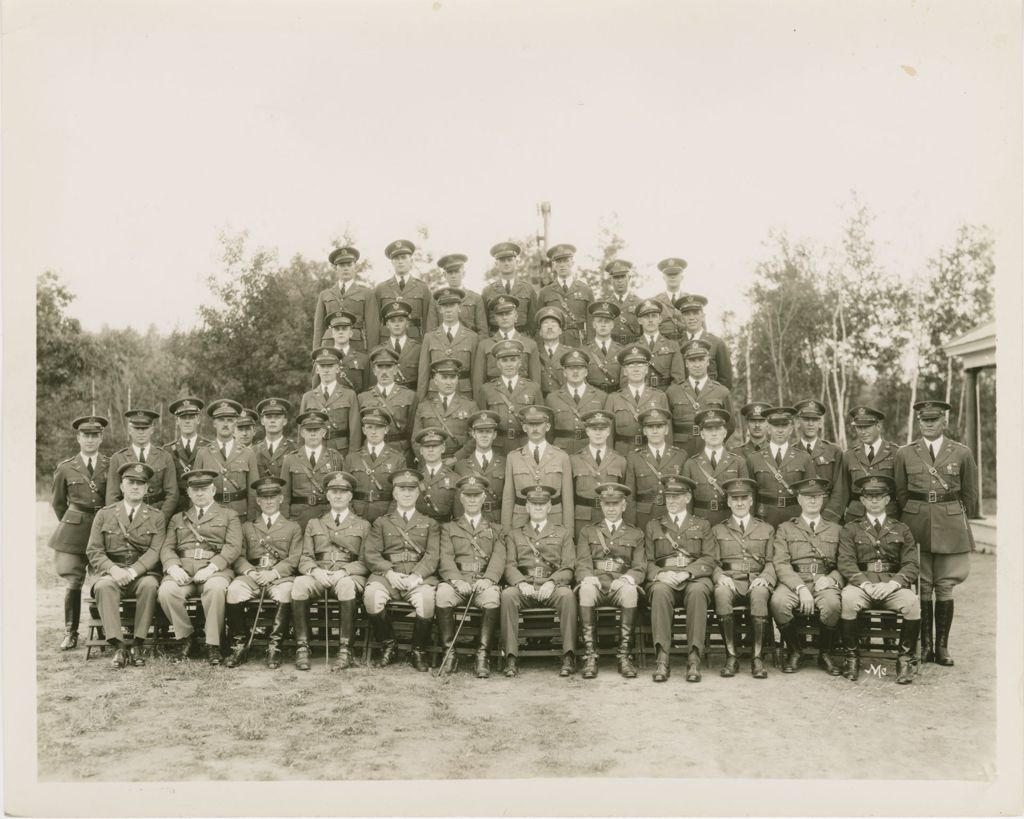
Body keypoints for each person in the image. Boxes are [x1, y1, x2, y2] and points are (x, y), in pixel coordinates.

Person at [894, 399, 977, 667]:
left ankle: (942, 647)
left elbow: (969, 493)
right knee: (922, 584)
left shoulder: (961, 452)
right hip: (916, 522)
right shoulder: (905, 453)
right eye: (924, 420)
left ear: (945, 422)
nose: (928, 424)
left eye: (934, 419)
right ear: (918, 422)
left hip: (950, 522)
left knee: (945, 585)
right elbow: (900, 492)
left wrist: (954, 515)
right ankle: (925, 646)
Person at [838, 475, 921, 684]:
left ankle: (904, 661)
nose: (874, 501)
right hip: (862, 585)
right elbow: (846, 562)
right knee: (848, 599)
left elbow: (911, 564)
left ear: (887, 499)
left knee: (912, 602)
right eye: (869, 497)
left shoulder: (902, 529)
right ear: (862, 501)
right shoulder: (851, 528)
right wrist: (865, 584)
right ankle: (851, 659)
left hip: (891, 585)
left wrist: (893, 584)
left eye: (879, 496)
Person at [157, 469, 243, 665]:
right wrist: (173, 568)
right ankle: (187, 638)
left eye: (204, 489)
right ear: (188, 493)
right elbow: (167, 548)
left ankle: (213, 644)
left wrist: (212, 567)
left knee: (216, 589)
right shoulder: (178, 518)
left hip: (214, 569)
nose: (200, 494)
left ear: (213, 490)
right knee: (167, 591)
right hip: (184, 569)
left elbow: (233, 546)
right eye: (195, 490)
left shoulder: (229, 515)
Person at [86, 461, 166, 667]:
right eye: (130, 482)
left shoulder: (157, 517)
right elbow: (94, 550)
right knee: (103, 587)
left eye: (141, 483)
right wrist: (113, 570)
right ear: (121, 486)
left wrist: (133, 571)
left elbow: (156, 550)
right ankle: (119, 647)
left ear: (147, 488)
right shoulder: (104, 514)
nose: (135, 487)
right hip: (111, 572)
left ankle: (138, 643)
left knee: (150, 586)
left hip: (141, 574)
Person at [361, 468, 441, 671]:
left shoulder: (430, 523)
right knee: (371, 596)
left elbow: (432, 555)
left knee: (426, 600)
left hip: (417, 577)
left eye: (411, 489)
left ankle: (417, 650)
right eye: (402, 489)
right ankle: (389, 646)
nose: (407, 493)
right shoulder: (382, 522)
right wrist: (389, 572)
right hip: (389, 577)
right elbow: (371, 554)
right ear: (395, 493)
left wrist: (416, 576)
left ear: (418, 493)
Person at [292, 470, 370, 671]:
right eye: (333, 491)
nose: (337, 495)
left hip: (347, 575)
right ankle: (302, 647)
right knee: (299, 584)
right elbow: (305, 558)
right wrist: (316, 572)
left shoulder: (362, 525)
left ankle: (345, 649)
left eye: (343, 492)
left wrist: (343, 571)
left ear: (350, 496)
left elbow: (366, 561)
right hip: (320, 573)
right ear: (326, 495)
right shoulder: (314, 523)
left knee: (345, 586)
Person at [223, 476, 303, 669]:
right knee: (233, 590)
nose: (268, 501)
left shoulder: (293, 527)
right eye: (263, 497)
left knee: (286, 592)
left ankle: (274, 647)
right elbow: (238, 556)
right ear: (257, 501)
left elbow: (294, 558)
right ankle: (240, 645)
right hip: (253, 575)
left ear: (281, 499)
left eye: (273, 496)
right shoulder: (247, 526)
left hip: (279, 577)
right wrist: (250, 571)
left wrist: (274, 573)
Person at [500, 485, 578, 678]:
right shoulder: (515, 533)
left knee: (567, 596)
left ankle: (568, 655)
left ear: (549, 507)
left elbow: (568, 566)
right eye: (533, 504)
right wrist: (520, 583)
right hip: (525, 586)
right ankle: (511, 656)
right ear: (526, 507)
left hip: (552, 587)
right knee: (508, 595)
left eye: (542, 504)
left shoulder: (563, 533)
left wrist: (552, 582)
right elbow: (509, 566)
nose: (537, 508)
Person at [645, 475, 717, 683]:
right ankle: (662, 659)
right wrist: (660, 574)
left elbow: (710, 558)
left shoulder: (702, 524)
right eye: (668, 496)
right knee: (658, 591)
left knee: (697, 592)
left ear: (687, 498)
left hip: (694, 577)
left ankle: (694, 658)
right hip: (665, 578)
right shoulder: (654, 526)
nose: (671, 501)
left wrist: (688, 572)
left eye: (677, 496)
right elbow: (646, 561)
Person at [770, 477, 844, 675]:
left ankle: (825, 653)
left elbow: (844, 563)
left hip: (823, 580)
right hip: (794, 580)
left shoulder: (837, 529)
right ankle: (796, 651)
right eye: (807, 497)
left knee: (832, 604)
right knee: (778, 602)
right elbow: (781, 563)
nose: (813, 501)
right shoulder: (785, 528)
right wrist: (800, 588)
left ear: (823, 500)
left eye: (817, 497)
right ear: (799, 500)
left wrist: (831, 579)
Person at [436, 476, 507, 677]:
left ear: (484, 497)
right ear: (461, 498)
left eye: (476, 495)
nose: (472, 500)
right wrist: (457, 580)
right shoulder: (449, 528)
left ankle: (482, 655)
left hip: (483, 583)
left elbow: (498, 557)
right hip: (458, 581)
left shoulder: (496, 529)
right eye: (468, 495)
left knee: (493, 598)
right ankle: (449, 653)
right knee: (442, 594)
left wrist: (488, 579)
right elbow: (446, 558)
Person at [50, 414, 110, 650]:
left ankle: (104, 629)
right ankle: (70, 632)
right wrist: (73, 521)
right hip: (74, 529)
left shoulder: (109, 464)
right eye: (86, 435)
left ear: (101, 437)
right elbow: (58, 503)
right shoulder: (66, 467)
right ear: (78, 437)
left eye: (95, 435)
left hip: (103, 526)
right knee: (73, 581)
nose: (90, 440)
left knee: (102, 580)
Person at [574, 482, 646, 678]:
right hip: (596, 583)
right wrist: (587, 577)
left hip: (620, 586)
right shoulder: (587, 531)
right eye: (607, 504)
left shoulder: (635, 533)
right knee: (585, 590)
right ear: (601, 506)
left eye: (615, 504)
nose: (611, 508)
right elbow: (582, 562)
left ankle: (624, 656)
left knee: (630, 592)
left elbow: (640, 566)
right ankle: (590, 656)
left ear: (624, 505)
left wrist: (626, 578)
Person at [711, 477, 775, 678]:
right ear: (728, 502)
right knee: (720, 593)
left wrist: (765, 577)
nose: (739, 503)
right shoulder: (717, 529)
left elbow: (773, 561)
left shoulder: (766, 529)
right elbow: (711, 561)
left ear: (751, 501)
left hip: (756, 578)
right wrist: (719, 575)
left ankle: (757, 658)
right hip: (730, 579)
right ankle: (731, 656)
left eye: (744, 498)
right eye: (734, 498)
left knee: (759, 594)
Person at [501, 405, 575, 530]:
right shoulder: (513, 457)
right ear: (524, 427)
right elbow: (508, 498)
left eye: (539, 424)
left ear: (547, 427)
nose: (535, 428)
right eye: (530, 424)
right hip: (521, 521)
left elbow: (567, 499)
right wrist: (506, 532)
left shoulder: (561, 457)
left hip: (554, 520)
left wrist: (568, 531)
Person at [826, 405, 900, 524]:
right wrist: (829, 520)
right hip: (856, 517)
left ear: (878, 426)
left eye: (867, 427)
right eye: (859, 427)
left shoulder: (896, 453)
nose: (863, 432)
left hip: (887, 516)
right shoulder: (849, 456)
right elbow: (842, 492)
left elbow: (901, 491)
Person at [746, 406, 816, 528]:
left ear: (791, 429)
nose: (780, 430)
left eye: (784, 426)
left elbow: (810, 494)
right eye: (775, 426)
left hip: (795, 519)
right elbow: (750, 494)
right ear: (768, 429)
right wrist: (751, 522)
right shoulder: (754, 458)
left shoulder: (804, 458)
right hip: (763, 519)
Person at [106, 408, 179, 523]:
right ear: (130, 430)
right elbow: (112, 496)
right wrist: (121, 521)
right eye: (136, 428)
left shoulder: (164, 456)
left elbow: (172, 494)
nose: (141, 432)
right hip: (127, 516)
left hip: (156, 513)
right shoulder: (118, 458)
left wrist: (161, 518)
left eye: (145, 428)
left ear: (152, 430)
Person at [193, 399, 260, 523]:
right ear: (214, 423)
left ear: (235, 423)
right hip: (211, 516)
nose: (225, 424)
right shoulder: (203, 453)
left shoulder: (248, 453)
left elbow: (253, 491)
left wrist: (251, 520)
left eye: (230, 420)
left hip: (240, 516)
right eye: (221, 420)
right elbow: (195, 489)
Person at [666, 338, 735, 457]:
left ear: (708, 361)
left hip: (710, 449)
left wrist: (716, 442)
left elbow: (730, 425)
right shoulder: (672, 392)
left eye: (701, 360)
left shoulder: (721, 391)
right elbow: (667, 427)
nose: (697, 365)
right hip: (680, 451)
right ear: (686, 363)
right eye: (692, 360)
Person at [279, 409, 346, 529]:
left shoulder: (335, 457)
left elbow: (343, 491)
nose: (313, 433)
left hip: (327, 516)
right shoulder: (290, 459)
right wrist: (286, 521)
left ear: (324, 432)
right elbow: (284, 495)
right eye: (309, 430)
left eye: (317, 430)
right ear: (302, 433)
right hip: (299, 518)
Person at [623, 408, 687, 532]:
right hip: (644, 516)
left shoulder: (680, 456)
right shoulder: (634, 457)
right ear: (644, 431)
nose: (655, 431)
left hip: (672, 514)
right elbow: (630, 496)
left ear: (667, 429)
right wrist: (630, 525)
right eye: (650, 427)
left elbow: (686, 493)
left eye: (659, 426)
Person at [683, 408, 748, 526]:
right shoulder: (691, 464)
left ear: (725, 433)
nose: (714, 433)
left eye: (718, 429)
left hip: (729, 522)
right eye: (709, 429)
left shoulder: (738, 462)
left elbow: (746, 497)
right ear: (702, 434)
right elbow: (687, 501)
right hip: (700, 522)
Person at [479, 339, 544, 456]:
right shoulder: (487, 389)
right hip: (497, 446)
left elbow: (541, 421)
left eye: (513, 360)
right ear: (498, 364)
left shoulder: (533, 388)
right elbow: (482, 421)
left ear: (520, 362)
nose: (509, 364)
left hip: (525, 445)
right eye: (504, 360)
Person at [471, 294, 542, 402]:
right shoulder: (484, 345)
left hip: (523, 399)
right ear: (495, 318)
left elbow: (536, 382)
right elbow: (478, 383)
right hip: (494, 399)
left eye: (508, 313)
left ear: (516, 316)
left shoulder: (530, 344)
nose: (504, 317)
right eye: (500, 314)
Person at [570, 410, 628, 539]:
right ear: (587, 431)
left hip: (609, 517)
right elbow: (570, 496)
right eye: (593, 428)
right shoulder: (574, 460)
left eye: (602, 428)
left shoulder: (620, 460)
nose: (598, 432)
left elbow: (624, 493)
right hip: (582, 518)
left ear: (608, 431)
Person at [605, 345, 670, 457]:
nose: (636, 369)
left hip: (651, 453)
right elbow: (607, 434)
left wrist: (666, 456)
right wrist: (609, 457)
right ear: (625, 371)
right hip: (622, 453)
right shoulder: (613, 398)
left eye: (640, 365)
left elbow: (667, 432)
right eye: (630, 366)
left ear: (646, 370)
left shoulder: (660, 396)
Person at [345, 407, 407, 524]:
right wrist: (352, 516)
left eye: (378, 427)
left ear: (386, 429)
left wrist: (389, 518)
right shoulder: (351, 458)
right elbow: (344, 491)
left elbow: (401, 492)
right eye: (369, 427)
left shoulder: (398, 459)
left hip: (385, 514)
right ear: (363, 430)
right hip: (356, 515)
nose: (374, 432)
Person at [417, 286, 479, 401]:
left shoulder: (472, 337)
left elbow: (476, 376)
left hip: (464, 395)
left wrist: (476, 402)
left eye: (452, 305)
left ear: (460, 307)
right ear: (440, 309)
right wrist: (420, 402)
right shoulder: (429, 337)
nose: (448, 310)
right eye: (445, 306)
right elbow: (423, 375)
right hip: (435, 395)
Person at [312, 246, 379, 352]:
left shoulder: (366, 293)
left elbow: (372, 328)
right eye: (342, 265)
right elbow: (318, 328)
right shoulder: (325, 294)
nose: (346, 268)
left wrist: (372, 356)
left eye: (349, 265)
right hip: (329, 343)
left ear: (355, 267)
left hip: (355, 343)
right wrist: (315, 353)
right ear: (336, 268)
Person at [411, 358, 477, 460]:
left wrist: (456, 458)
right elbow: (415, 439)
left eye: (452, 377)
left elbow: (475, 438)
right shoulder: (424, 406)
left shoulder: (470, 405)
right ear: (435, 380)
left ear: (457, 379)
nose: (449, 382)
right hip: (429, 462)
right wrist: (428, 461)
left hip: (460, 462)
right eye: (444, 377)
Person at [358, 346, 418, 459]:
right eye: (380, 367)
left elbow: (412, 430)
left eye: (389, 366)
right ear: (374, 371)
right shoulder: (362, 398)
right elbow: (360, 432)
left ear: (396, 369)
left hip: (401, 452)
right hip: (372, 453)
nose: (384, 372)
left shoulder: (410, 396)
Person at [301, 346, 362, 457]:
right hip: (315, 451)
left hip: (341, 451)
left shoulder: (349, 395)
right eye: (322, 366)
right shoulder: (307, 397)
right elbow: (302, 431)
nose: (326, 370)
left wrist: (353, 456)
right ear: (317, 369)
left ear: (338, 368)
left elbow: (355, 431)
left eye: (330, 366)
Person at [547, 348, 607, 455]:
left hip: (589, 450)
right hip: (561, 451)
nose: (575, 371)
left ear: (586, 372)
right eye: (570, 368)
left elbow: (606, 429)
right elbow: (548, 433)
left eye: (579, 368)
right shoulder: (552, 398)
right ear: (564, 372)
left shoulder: (600, 396)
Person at [372, 239, 431, 345]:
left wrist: (427, 345)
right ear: (392, 262)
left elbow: (428, 321)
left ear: (411, 261)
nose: (400, 261)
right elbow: (375, 323)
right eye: (396, 258)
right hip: (387, 340)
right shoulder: (381, 288)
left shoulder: (422, 288)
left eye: (403, 257)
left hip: (415, 339)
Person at [452, 410, 506, 525]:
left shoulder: (505, 463)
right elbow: (458, 502)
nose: (484, 435)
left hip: (497, 520)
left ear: (494, 435)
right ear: (473, 434)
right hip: (471, 521)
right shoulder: (461, 465)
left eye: (488, 431)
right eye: (480, 431)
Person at [792, 399, 843, 520]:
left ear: (820, 423)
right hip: (799, 515)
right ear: (798, 422)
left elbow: (840, 490)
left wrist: (828, 517)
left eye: (815, 419)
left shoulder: (834, 451)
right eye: (806, 419)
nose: (811, 424)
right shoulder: (791, 452)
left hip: (827, 513)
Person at [537, 243, 592, 348]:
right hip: (553, 343)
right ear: (554, 265)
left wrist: (591, 347)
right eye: (558, 261)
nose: (562, 265)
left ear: (572, 262)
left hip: (578, 342)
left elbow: (591, 324)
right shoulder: (545, 292)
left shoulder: (586, 290)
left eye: (566, 261)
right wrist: (541, 348)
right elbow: (538, 325)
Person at [676, 293, 734, 389]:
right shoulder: (677, 345)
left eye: (695, 313)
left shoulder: (717, 343)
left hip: (711, 400)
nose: (691, 318)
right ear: (682, 318)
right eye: (687, 314)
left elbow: (726, 381)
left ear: (703, 316)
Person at [163, 397, 210, 513]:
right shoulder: (167, 450)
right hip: (176, 508)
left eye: (191, 417)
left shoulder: (209, 447)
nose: (187, 421)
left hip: (203, 505)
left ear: (198, 419)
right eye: (183, 417)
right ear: (177, 421)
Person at [481, 241, 537, 336]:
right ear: (496, 264)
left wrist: (528, 340)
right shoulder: (487, 291)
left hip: (522, 338)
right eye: (502, 260)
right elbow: (484, 323)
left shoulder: (528, 289)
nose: (506, 263)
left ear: (517, 262)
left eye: (510, 259)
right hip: (496, 339)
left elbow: (534, 322)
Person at [426, 254, 489, 335]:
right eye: (450, 272)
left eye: (456, 272)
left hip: (470, 345)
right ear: (444, 275)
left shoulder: (475, 298)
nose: (453, 276)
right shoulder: (436, 299)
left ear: (463, 273)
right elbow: (431, 331)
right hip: (443, 345)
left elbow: (483, 331)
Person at [633, 299, 686, 388]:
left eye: (654, 316)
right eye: (646, 316)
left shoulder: (673, 345)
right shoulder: (633, 348)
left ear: (660, 319)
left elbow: (678, 379)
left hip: (666, 396)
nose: (650, 320)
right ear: (639, 321)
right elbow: (626, 383)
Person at [412, 428, 459, 523]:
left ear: (443, 449)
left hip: (444, 530)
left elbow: (459, 516)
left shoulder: (455, 479)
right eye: (426, 446)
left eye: (435, 446)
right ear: (421, 450)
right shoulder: (413, 479)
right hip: (418, 530)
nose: (430, 450)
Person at [375, 299, 422, 391]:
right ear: (387, 325)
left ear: (407, 323)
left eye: (401, 320)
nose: (397, 324)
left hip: (412, 395)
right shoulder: (380, 350)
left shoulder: (418, 348)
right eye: (392, 321)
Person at [323, 309, 371, 393]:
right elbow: (317, 390)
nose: (341, 332)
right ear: (332, 333)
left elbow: (367, 391)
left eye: (344, 329)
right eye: (337, 329)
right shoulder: (323, 359)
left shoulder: (363, 359)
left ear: (351, 333)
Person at [582, 300, 624, 393]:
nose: (603, 325)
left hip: (615, 398)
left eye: (607, 321)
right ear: (593, 324)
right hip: (592, 398)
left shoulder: (621, 351)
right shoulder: (584, 351)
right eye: (599, 321)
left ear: (612, 325)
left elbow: (625, 382)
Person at [253, 397, 297, 479]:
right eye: (268, 417)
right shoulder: (253, 451)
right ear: (262, 421)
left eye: (277, 417)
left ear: (285, 421)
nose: (272, 421)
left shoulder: (295, 449)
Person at [535, 306, 572, 396]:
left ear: (560, 331)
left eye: (554, 323)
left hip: (563, 401)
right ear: (540, 331)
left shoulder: (569, 353)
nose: (550, 327)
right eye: (545, 323)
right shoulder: (534, 353)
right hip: (541, 402)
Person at [602, 260, 641, 345]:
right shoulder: (605, 305)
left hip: (634, 349)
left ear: (629, 278)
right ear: (611, 280)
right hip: (612, 348)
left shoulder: (639, 303)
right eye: (616, 277)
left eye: (623, 276)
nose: (620, 281)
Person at [651, 257, 689, 340]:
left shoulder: (690, 300)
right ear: (664, 277)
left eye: (676, 274)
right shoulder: (655, 301)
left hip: (687, 347)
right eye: (669, 274)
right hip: (663, 348)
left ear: (682, 277)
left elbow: (701, 329)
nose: (672, 277)